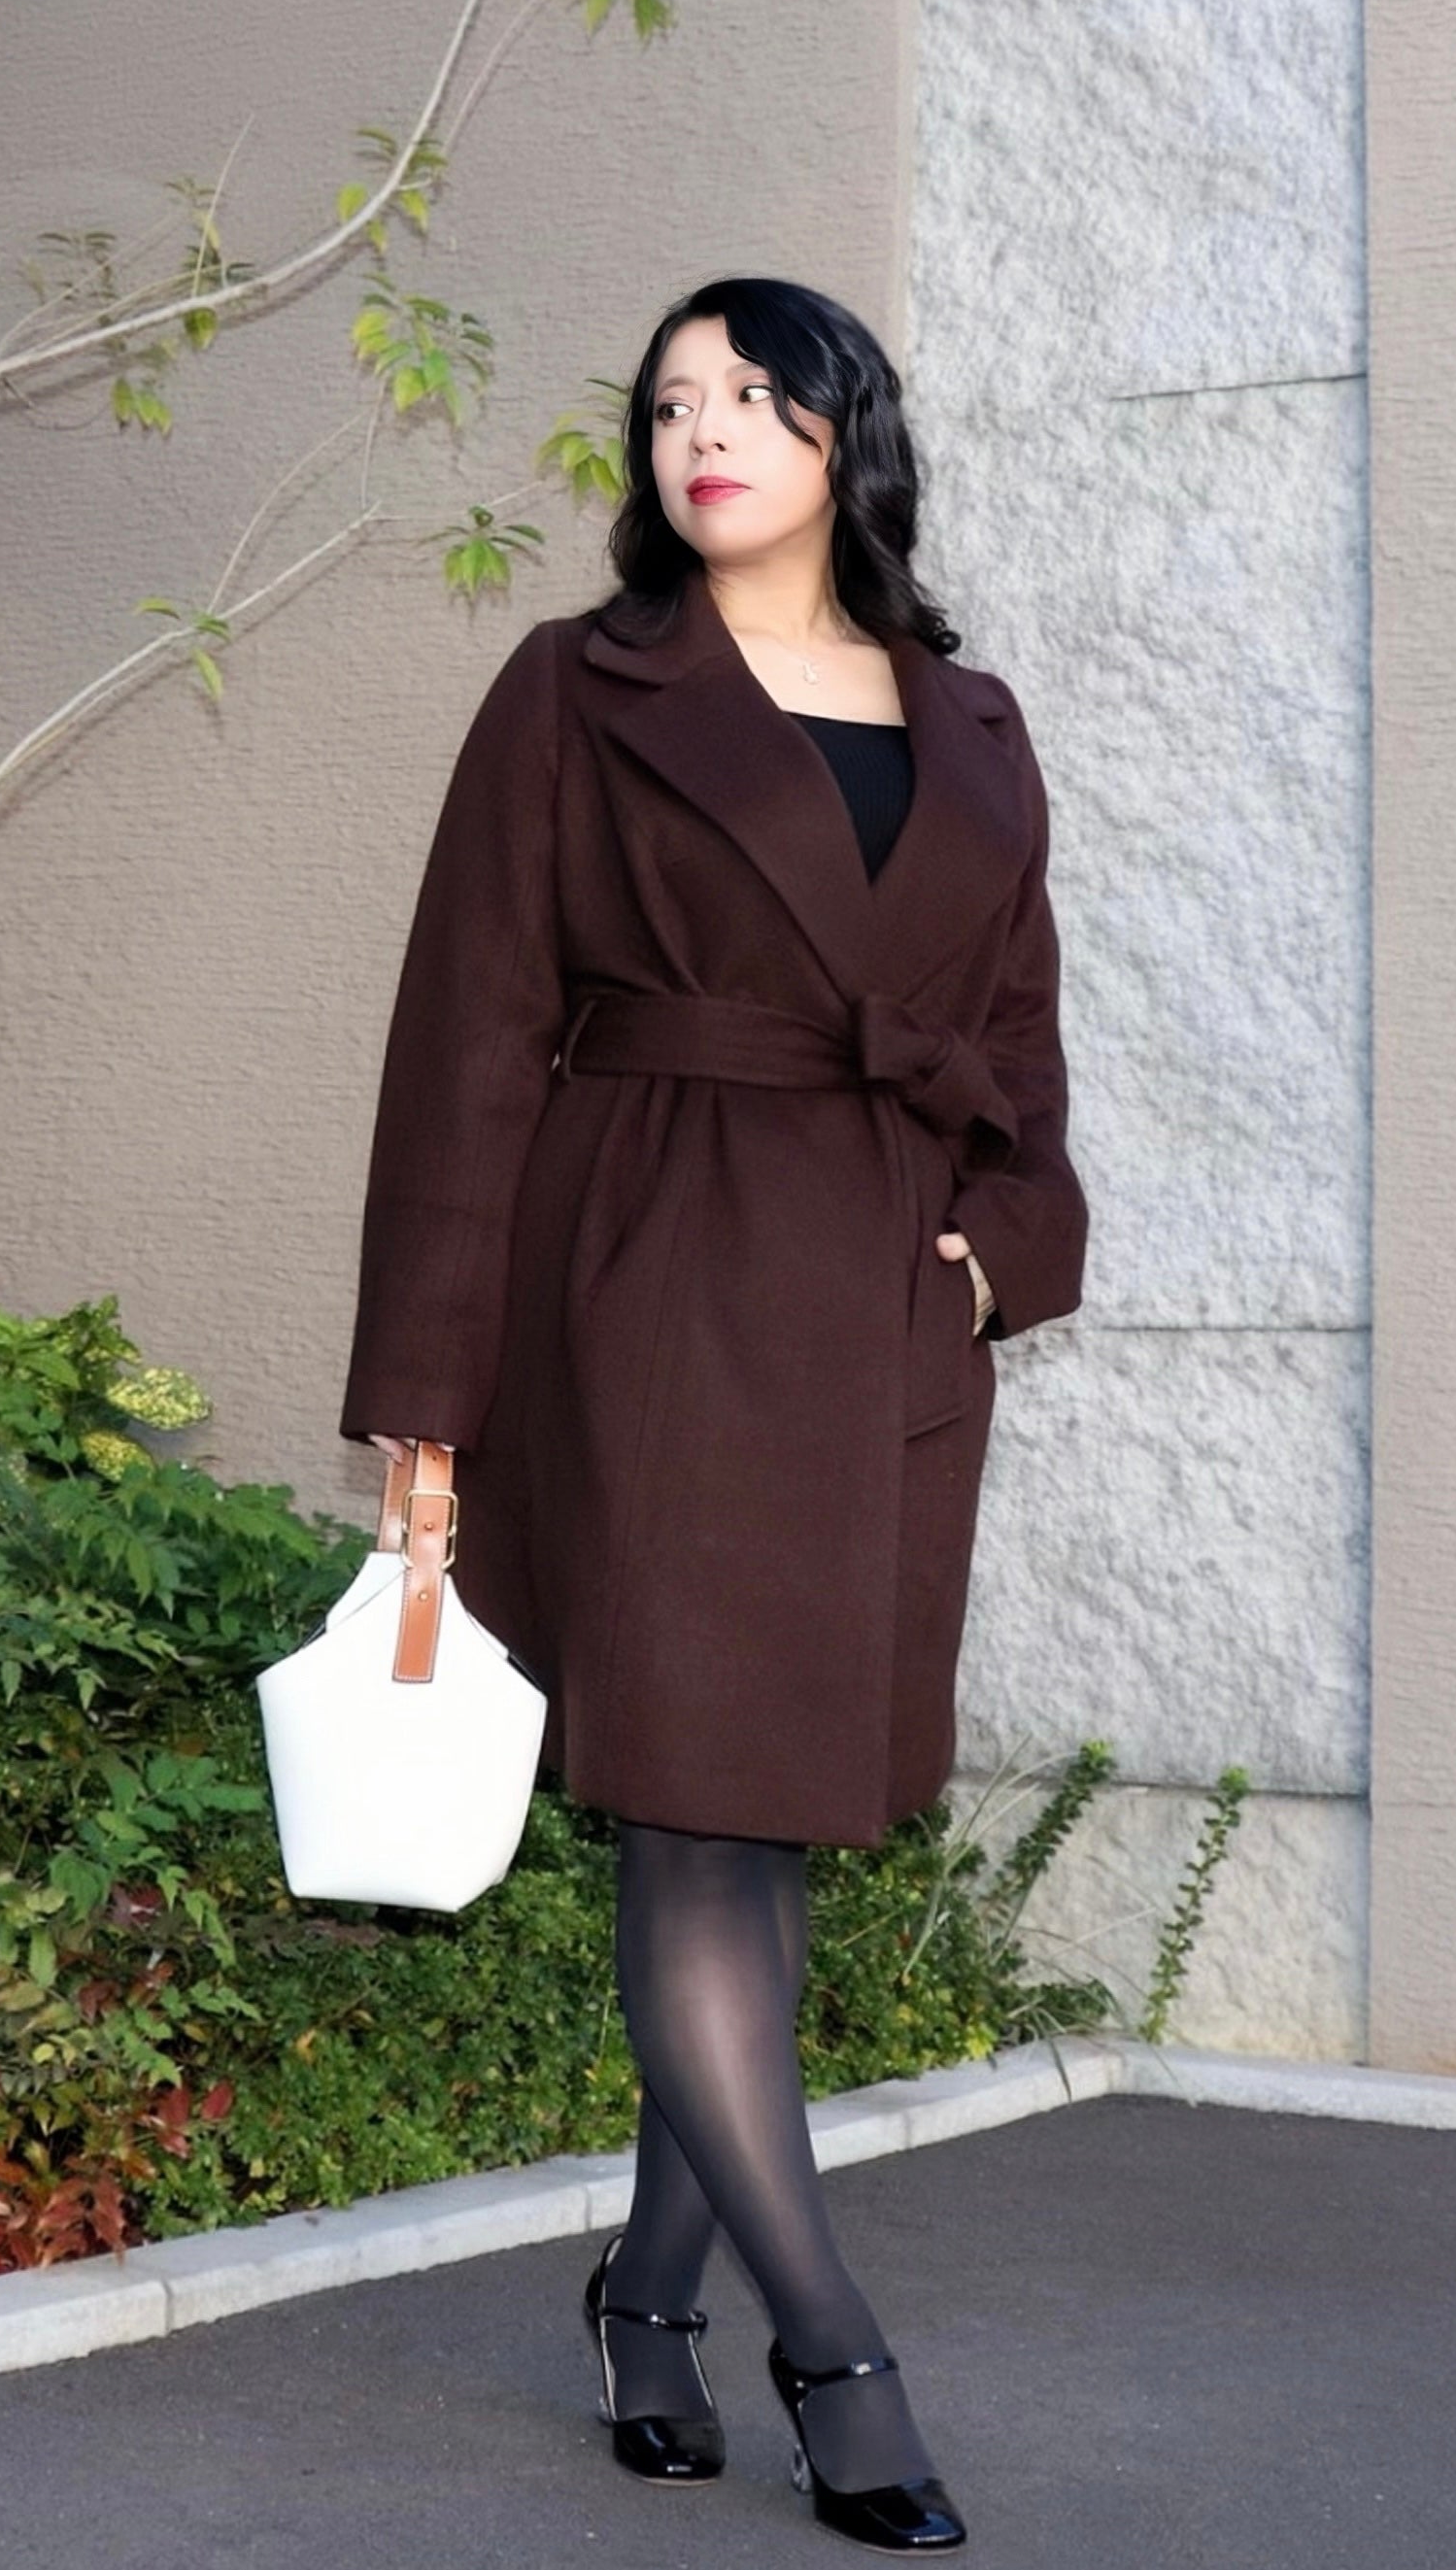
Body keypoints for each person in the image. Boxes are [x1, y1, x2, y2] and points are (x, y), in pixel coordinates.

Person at [339, 276, 1089, 2553]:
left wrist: (994, 1257)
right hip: (648, 1294)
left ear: (846, 433)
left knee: (755, 1834)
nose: (704, 430)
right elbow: (467, 1036)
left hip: (876, 1326)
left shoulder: (967, 721)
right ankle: (832, 2351)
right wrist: (426, 1410)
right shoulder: (578, 690)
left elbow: (1018, 1048)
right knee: (686, 1830)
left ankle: (640, 2302)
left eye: (754, 393)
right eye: (670, 399)